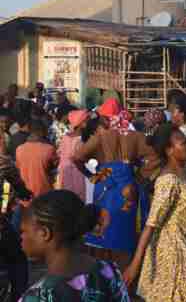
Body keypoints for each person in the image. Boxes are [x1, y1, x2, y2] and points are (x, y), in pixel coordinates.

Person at [123, 124, 186, 302]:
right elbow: (150, 224)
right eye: (183, 143)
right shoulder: (168, 181)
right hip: (173, 249)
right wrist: (135, 265)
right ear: (169, 150)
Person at [72, 99, 157, 268]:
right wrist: (141, 175)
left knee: (103, 231)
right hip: (128, 187)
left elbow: (77, 158)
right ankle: (128, 280)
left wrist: (91, 175)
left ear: (104, 118)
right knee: (126, 233)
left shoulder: (100, 137)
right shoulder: (135, 136)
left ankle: (105, 276)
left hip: (104, 184)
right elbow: (155, 157)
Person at [19, 190, 131, 302]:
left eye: (23, 231)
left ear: (45, 233)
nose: (21, 237)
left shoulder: (37, 297)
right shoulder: (109, 271)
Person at [0, 143, 32, 301]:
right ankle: (19, 296)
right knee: (18, 261)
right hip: (2, 228)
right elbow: (19, 187)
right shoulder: (3, 163)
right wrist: (24, 193)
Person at [16, 119, 58, 200]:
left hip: (26, 195)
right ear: (41, 131)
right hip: (44, 194)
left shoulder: (19, 149)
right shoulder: (49, 149)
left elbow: (18, 168)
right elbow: (55, 168)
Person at [55, 110, 89, 201]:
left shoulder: (66, 137)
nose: (88, 122)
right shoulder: (79, 140)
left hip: (65, 173)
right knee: (78, 197)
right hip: (76, 173)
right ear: (81, 123)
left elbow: (59, 153)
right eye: (86, 120)